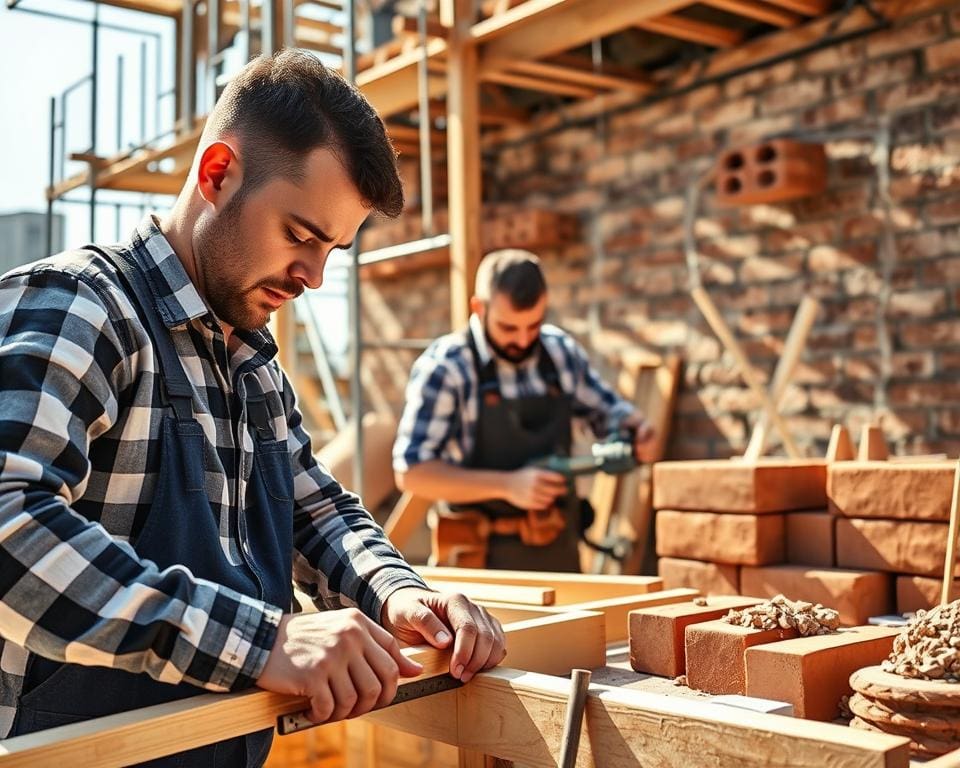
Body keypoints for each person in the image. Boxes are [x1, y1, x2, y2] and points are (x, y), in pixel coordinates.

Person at [0, 50, 504, 766]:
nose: (314, 276)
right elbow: (7, 523)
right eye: (300, 234)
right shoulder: (80, 309)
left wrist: (397, 593)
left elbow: (314, 510)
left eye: (333, 248)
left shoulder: (252, 364)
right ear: (216, 174)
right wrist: (263, 642)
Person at [393, 249, 656, 572]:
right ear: (479, 307)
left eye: (533, 325)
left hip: (559, 553)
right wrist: (507, 485)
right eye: (508, 328)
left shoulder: (560, 352)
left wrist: (636, 428)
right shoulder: (447, 367)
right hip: (477, 561)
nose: (522, 340)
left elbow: (609, 413)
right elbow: (412, 473)